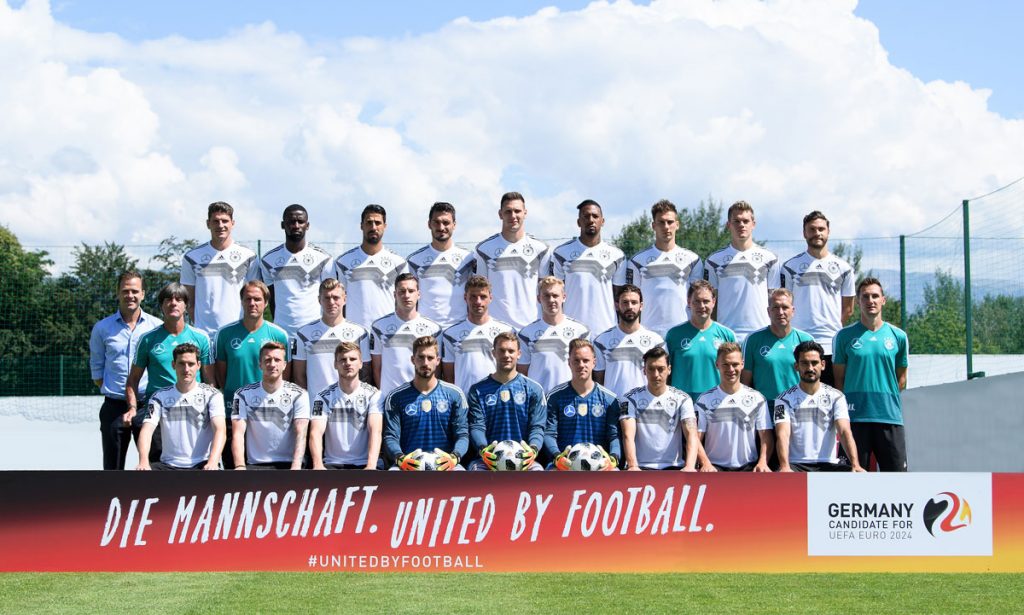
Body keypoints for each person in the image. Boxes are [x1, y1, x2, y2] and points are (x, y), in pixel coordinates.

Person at [125, 283, 214, 463]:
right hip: (157, 409)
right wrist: (132, 408)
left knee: (195, 462)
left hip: (192, 408)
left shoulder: (201, 338)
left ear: (186, 306)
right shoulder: (148, 339)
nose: (173, 303)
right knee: (156, 463)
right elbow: (132, 379)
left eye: (179, 299)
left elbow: (210, 382)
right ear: (161, 306)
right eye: (168, 300)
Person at [833, 277, 909, 472]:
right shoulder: (843, 336)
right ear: (858, 302)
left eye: (875, 296)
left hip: (889, 417)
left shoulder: (898, 336)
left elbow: (901, 378)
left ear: (883, 300)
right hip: (855, 418)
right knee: (852, 479)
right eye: (865, 296)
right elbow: (839, 379)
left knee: (897, 478)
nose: (870, 300)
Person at [89, 271, 160, 470]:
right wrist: (115, 391)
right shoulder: (102, 328)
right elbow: (97, 368)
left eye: (135, 291)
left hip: (148, 406)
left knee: (153, 465)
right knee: (113, 468)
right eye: (125, 291)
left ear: (143, 294)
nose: (130, 295)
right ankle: (111, 501)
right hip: (114, 407)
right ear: (118, 293)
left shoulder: (157, 327)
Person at [214, 280, 290, 468]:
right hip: (234, 412)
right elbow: (221, 374)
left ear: (265, 303)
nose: (252, 303)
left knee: (265, 470)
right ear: (241, 301)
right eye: (248, 299)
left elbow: (283, 374)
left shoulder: (279, 334)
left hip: (268, 412)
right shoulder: (225, 334)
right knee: (235, 469)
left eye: (257, 299)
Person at [780, 211, 856, 385]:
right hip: (798, 344)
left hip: (831, 344)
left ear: (828, 232)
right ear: (804, 233)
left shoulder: (844, 268)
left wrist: (830, 328)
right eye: (812, 229)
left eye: (821, 229)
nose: (817, 233)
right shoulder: (790, 267)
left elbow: (848, 308)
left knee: (832, 396)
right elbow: (785, 305)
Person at [613, 199, 703, 337]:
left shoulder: (693, 260)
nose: (666, 226)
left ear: (677, 225)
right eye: (661, 222)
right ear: (653, 226)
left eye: (670, 222)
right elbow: (632, 299)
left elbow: (699, 299)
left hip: (683, 331)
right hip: (648, 332)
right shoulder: (637, 261)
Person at [774, 341, 864, 472]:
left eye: (814, 363)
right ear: (796, 366)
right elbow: (782, 434)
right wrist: (784, 466)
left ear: (823, 365)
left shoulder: (837, 397)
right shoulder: (782, 400)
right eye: (804, 363)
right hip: (796, 465)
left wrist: (855, 464)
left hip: (828, 464)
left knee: (857, 476)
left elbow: (844, 431)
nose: (810, 368)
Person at [382, 336, 468, 471]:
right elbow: (391, 436)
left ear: (438, 361)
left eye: (430, 358)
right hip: (409, 465)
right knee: (393, 474)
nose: (425, 363)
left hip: (445, 465)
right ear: (412, 360)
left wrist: (454, 457)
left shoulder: (454, 394)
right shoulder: (396, 397)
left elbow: (462, 434)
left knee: (462, 474)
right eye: (420, 357)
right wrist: (400, 458)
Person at [135, 343, 226, 470]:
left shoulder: (213, 395)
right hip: (167, 465)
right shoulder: (159, 396)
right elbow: (147, 430)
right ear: (173, 365)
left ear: (199, 366)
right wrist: (143, 461)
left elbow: (220, 430)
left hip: (202, 464)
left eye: (191, 364)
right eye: (181, 364)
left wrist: (213, 461)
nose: (186, 369)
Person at [466, 332, 546, 471]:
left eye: (511, 351)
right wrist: (484, 450)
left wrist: (533, 450)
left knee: (538, 472)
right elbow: (477, 427)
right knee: (475, 473)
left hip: (524, 460)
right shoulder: (478, 390)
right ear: (493, 353)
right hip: (487, 460)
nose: (506, 355)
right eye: (502, 351)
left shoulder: (533, 389)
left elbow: (537, 427)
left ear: (519, 354)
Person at [181, 201, 259, 341]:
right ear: (208, 223)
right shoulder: (191, 257)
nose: (220, 225)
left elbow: (256, 298)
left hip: (239, 334)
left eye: (225, 221)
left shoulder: (248, 256)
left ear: (232, 223)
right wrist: (200, 328)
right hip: (204, 335)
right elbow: (189, 302)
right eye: (216, 221)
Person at [705, 200, 780, 345]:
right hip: (725, 335)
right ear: (729, 225)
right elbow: (711, 302)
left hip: (762, 332)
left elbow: (775, 299)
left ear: (753, 224)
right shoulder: (713, 261)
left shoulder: (771, 259)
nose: (741, 225)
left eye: (746, 221)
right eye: (736, 221)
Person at [474, 192, 551, 330]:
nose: (513, 216)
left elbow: (546, 290)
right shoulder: (484, 249)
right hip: (496, 328)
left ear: (525, 213)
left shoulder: (541, 249)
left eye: (517, 211)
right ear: (500, 214)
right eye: (508, 211)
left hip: (531, 327)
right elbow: (480, 291)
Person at [231, 341, 310, 470]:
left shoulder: (299, 394)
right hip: (255, 465)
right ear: (260, 364)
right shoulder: (242, 394)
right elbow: (238, 433)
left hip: (288, 464)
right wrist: (240, 466)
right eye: (267, 360)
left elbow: (301, 433)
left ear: (284, 365)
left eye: (277, 360)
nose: (272, 364)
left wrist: (296, 465)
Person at [618, 347, 700, 471]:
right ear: (644, 370)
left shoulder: (682, 399)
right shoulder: (630, 399)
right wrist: (633, 466)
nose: (656, 374)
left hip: (674, 468)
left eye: (660, 369)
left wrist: (690, 466)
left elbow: (691, 434)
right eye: (651, 369)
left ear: (669, 369)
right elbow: (627, 435)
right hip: (641, 468)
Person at [695, 343, 773, 472]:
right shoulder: (703, 400)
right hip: (714, 469)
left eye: (735, 364)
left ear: (742, 364)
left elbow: (766, 436)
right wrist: (705, 463)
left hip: (748, 468)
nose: (731, 369)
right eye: (725, 364)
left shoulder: (757, 399)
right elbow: (695, 438)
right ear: (717, 365)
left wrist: (763, 462)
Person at [550, 200, 624, 335]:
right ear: (579, 222)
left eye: (595, 216)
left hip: (605, 329)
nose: (591, 220)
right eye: (586, 216)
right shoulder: (561, 253)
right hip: (570, 330)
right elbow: (555, 293)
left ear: (602, 221)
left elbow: (619, 296)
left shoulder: (617, 255)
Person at [545, 339, 621, 470]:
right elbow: (549, 434)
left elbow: (614, 436)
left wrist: (613, 458)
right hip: (565, 466)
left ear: (594, 362)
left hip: (599, 466)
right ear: (569, 363)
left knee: (616, 473)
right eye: (576, 360)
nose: (581, 365)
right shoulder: (555, 397)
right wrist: (557, 456)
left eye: (585, 360)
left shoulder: (610, 399)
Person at [291, 278, 370, 404]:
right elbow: (299, 377)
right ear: (319, 300)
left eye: (336, 297)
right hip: (316, 407)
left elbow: (365, 374)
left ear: (345, 299)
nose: (331, 302)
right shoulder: (303, 334)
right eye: (326, 298)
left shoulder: (360, 333)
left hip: (351, 407)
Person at [258, 204, 332, 336]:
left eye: (300, 221)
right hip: (281, 332)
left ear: (307, 225)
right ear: (283, 225)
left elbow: (330, 297)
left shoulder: (323, 259)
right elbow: (272, 300)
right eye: (291, 222)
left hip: (315, 332)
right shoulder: (268, 260)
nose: (296, 225)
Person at [308, 342, 384, 470]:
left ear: (361, 363)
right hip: (333, 464)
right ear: (335, 364)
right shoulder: (322, 397)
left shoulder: (374, 395)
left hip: (364, 464)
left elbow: (375, 431)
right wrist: (318, 465)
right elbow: (315, 432)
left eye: (353, 359)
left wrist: (370, 466)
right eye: (343, 359)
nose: (348, 363)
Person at [331, 204, 408, 329]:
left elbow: (405, 301)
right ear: (361, 225)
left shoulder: (398, 263)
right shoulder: (343, 262)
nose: (373, 227)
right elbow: (337, 300)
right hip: (354, 333)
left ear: (385, 226)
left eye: (378, 223)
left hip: (387, 332)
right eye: (369, 222)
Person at [370, 273, 443, 397]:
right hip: (390, 397)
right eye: (402, 291)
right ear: (394, 295)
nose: (406, 295)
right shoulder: (379, 327)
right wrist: (384, 395)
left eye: (411, 291)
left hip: (421, 396)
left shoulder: (433, 329)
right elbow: (376, 368)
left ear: (418, 294)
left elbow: (437, 368)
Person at [440, 275, 515, 396]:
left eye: (483, 297)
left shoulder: (506, 331)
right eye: (473, 297)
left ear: (490, 298)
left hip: (498, 399)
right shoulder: (451, 334)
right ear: (465, 298)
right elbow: (449, 377)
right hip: (466, 401)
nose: (478, 301)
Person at [406, 202, 477, 328]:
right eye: (436, 222)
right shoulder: (414, 260)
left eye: (446, 222)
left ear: (454, 225)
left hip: (459, 329)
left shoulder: (468, 259)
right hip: (427, 330)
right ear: (429, 224)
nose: (441, 227)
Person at [665, 280, 736, 400]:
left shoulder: (727, 335)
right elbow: (666, 373)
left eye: (706, 301)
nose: (701, 306)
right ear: (688, 302)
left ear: (713, 302)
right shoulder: (673, 334)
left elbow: (735, 372)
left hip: (716, 402)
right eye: (697, 301)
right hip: (682, 402)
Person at [517, 277, 590, 394]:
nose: (551, 300)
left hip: (571, 398)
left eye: (555, 295)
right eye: (546, 295)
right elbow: (522, 374)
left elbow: (587, 370)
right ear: (539, 299)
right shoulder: (526, 334)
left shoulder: (580, 331)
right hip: (539, 401)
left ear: (564, 297)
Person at [741, 288, 814, 403]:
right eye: (775, 307)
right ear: (768, 311)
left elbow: (813, 379)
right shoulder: (753, 339)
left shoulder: (806, 340)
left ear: (793, 310)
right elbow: (745, 382)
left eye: (785, 307)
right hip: (765, 407)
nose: (780, 312)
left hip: (797, 405)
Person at [593, 284, 665, 397]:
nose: (630, 306)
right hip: (613, 407)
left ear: (641, 306)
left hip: (644, 406)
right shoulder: (601, 341)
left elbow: (662, 379)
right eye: (625, 302)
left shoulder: (656, 341)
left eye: (634, 302)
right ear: (617, 305)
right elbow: (598, 380)